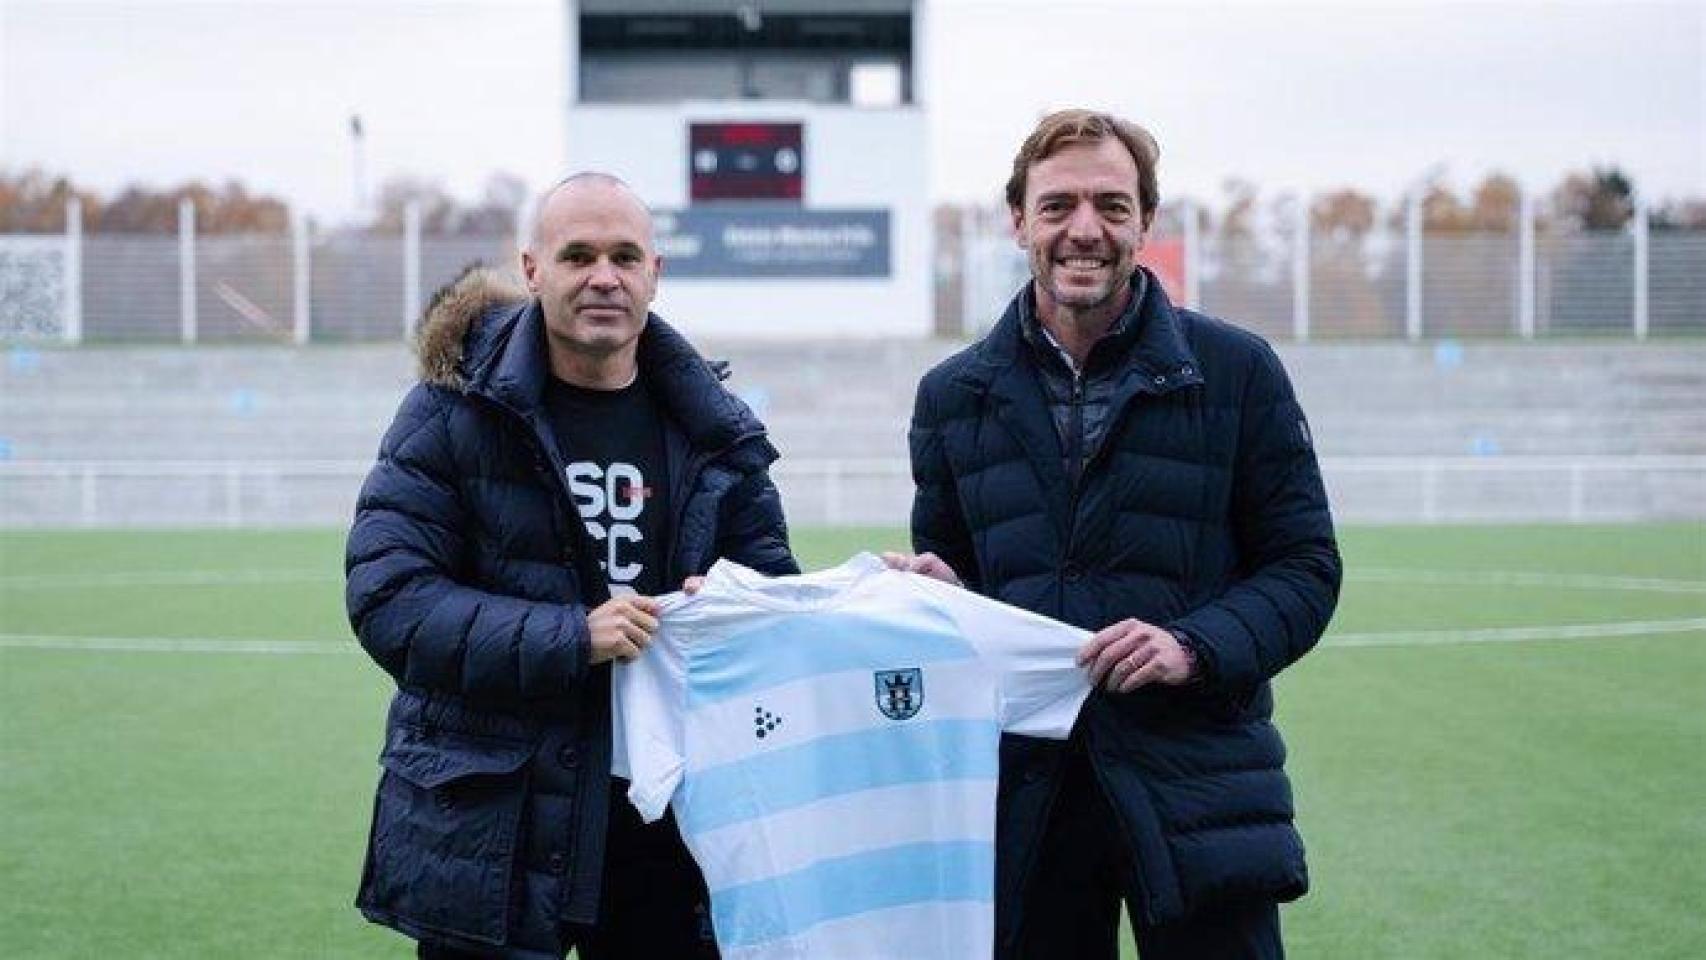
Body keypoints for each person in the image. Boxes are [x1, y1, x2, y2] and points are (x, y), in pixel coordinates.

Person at [890, 110, 1342, 958]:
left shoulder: (1236, 372)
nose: (1084, 230)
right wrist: (939, 602)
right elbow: (965, 592)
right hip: (1028, 797)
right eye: (1058, 206)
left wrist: (1192, 647)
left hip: (1199, 787)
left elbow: (1306, 569)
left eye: (1112, 204)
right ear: (1018, 220)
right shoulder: (952, 395)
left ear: (1146, 222)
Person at [344, 172, 797, 960]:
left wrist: (733, 602)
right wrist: (570, 637)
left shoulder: (711, 429)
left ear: (656, 272)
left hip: (667, 824)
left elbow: (774, 598)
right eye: (577, 255)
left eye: (625, 256)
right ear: (531, 270)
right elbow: (390, 599)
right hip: (499, 821)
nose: (603, 277)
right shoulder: (452, 411)